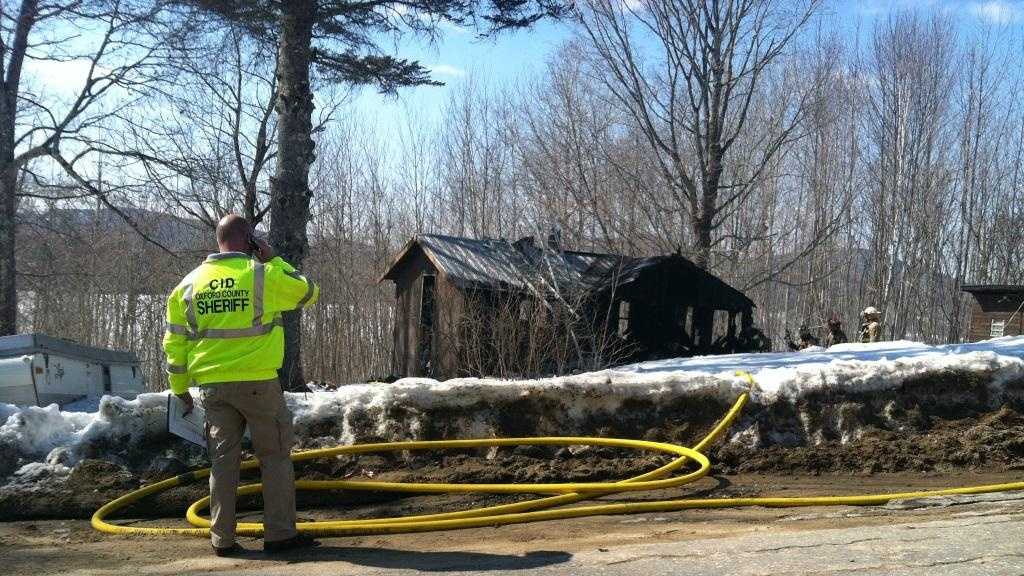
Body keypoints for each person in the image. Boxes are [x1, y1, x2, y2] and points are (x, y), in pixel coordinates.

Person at [163, 215, 320, 556]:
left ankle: (222, 538)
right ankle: (279, 535)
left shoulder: (188, 285)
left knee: (222, 462)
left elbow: (174, 345)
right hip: (258, 383)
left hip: (213, 388)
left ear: (218, 240)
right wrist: (273, 258)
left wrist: (179, 389)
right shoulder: (261, 275)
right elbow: (308, 292)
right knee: (274, 457)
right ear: (250, 239)